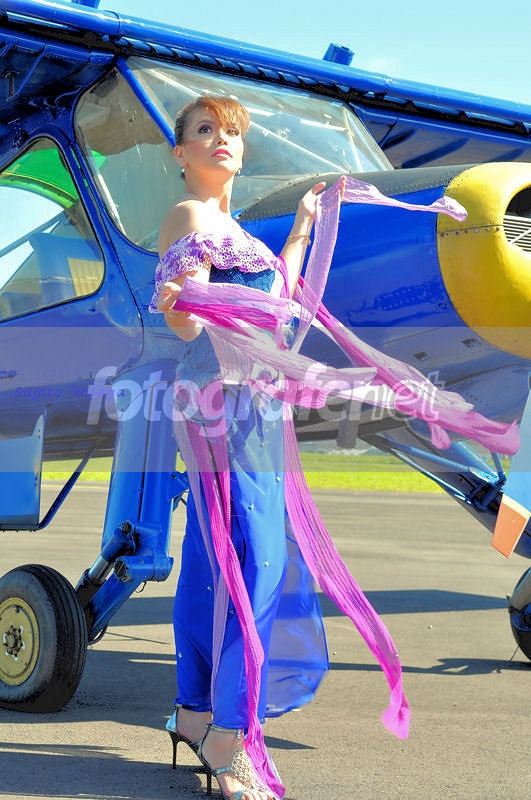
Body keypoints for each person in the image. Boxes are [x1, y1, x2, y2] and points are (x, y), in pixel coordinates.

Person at [149, 95, 409, 800]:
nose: (221, 139)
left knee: (217, 559)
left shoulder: (236, 230)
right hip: (222, 400)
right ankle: (229, 735)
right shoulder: (190, 217)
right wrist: (185, 298)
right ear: (180, 153)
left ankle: (195, 713)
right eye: (205, 130)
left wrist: (298, 230)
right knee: (255, 559)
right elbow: (187, 324)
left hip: (255, 405)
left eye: (231, 132)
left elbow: (278, 299)